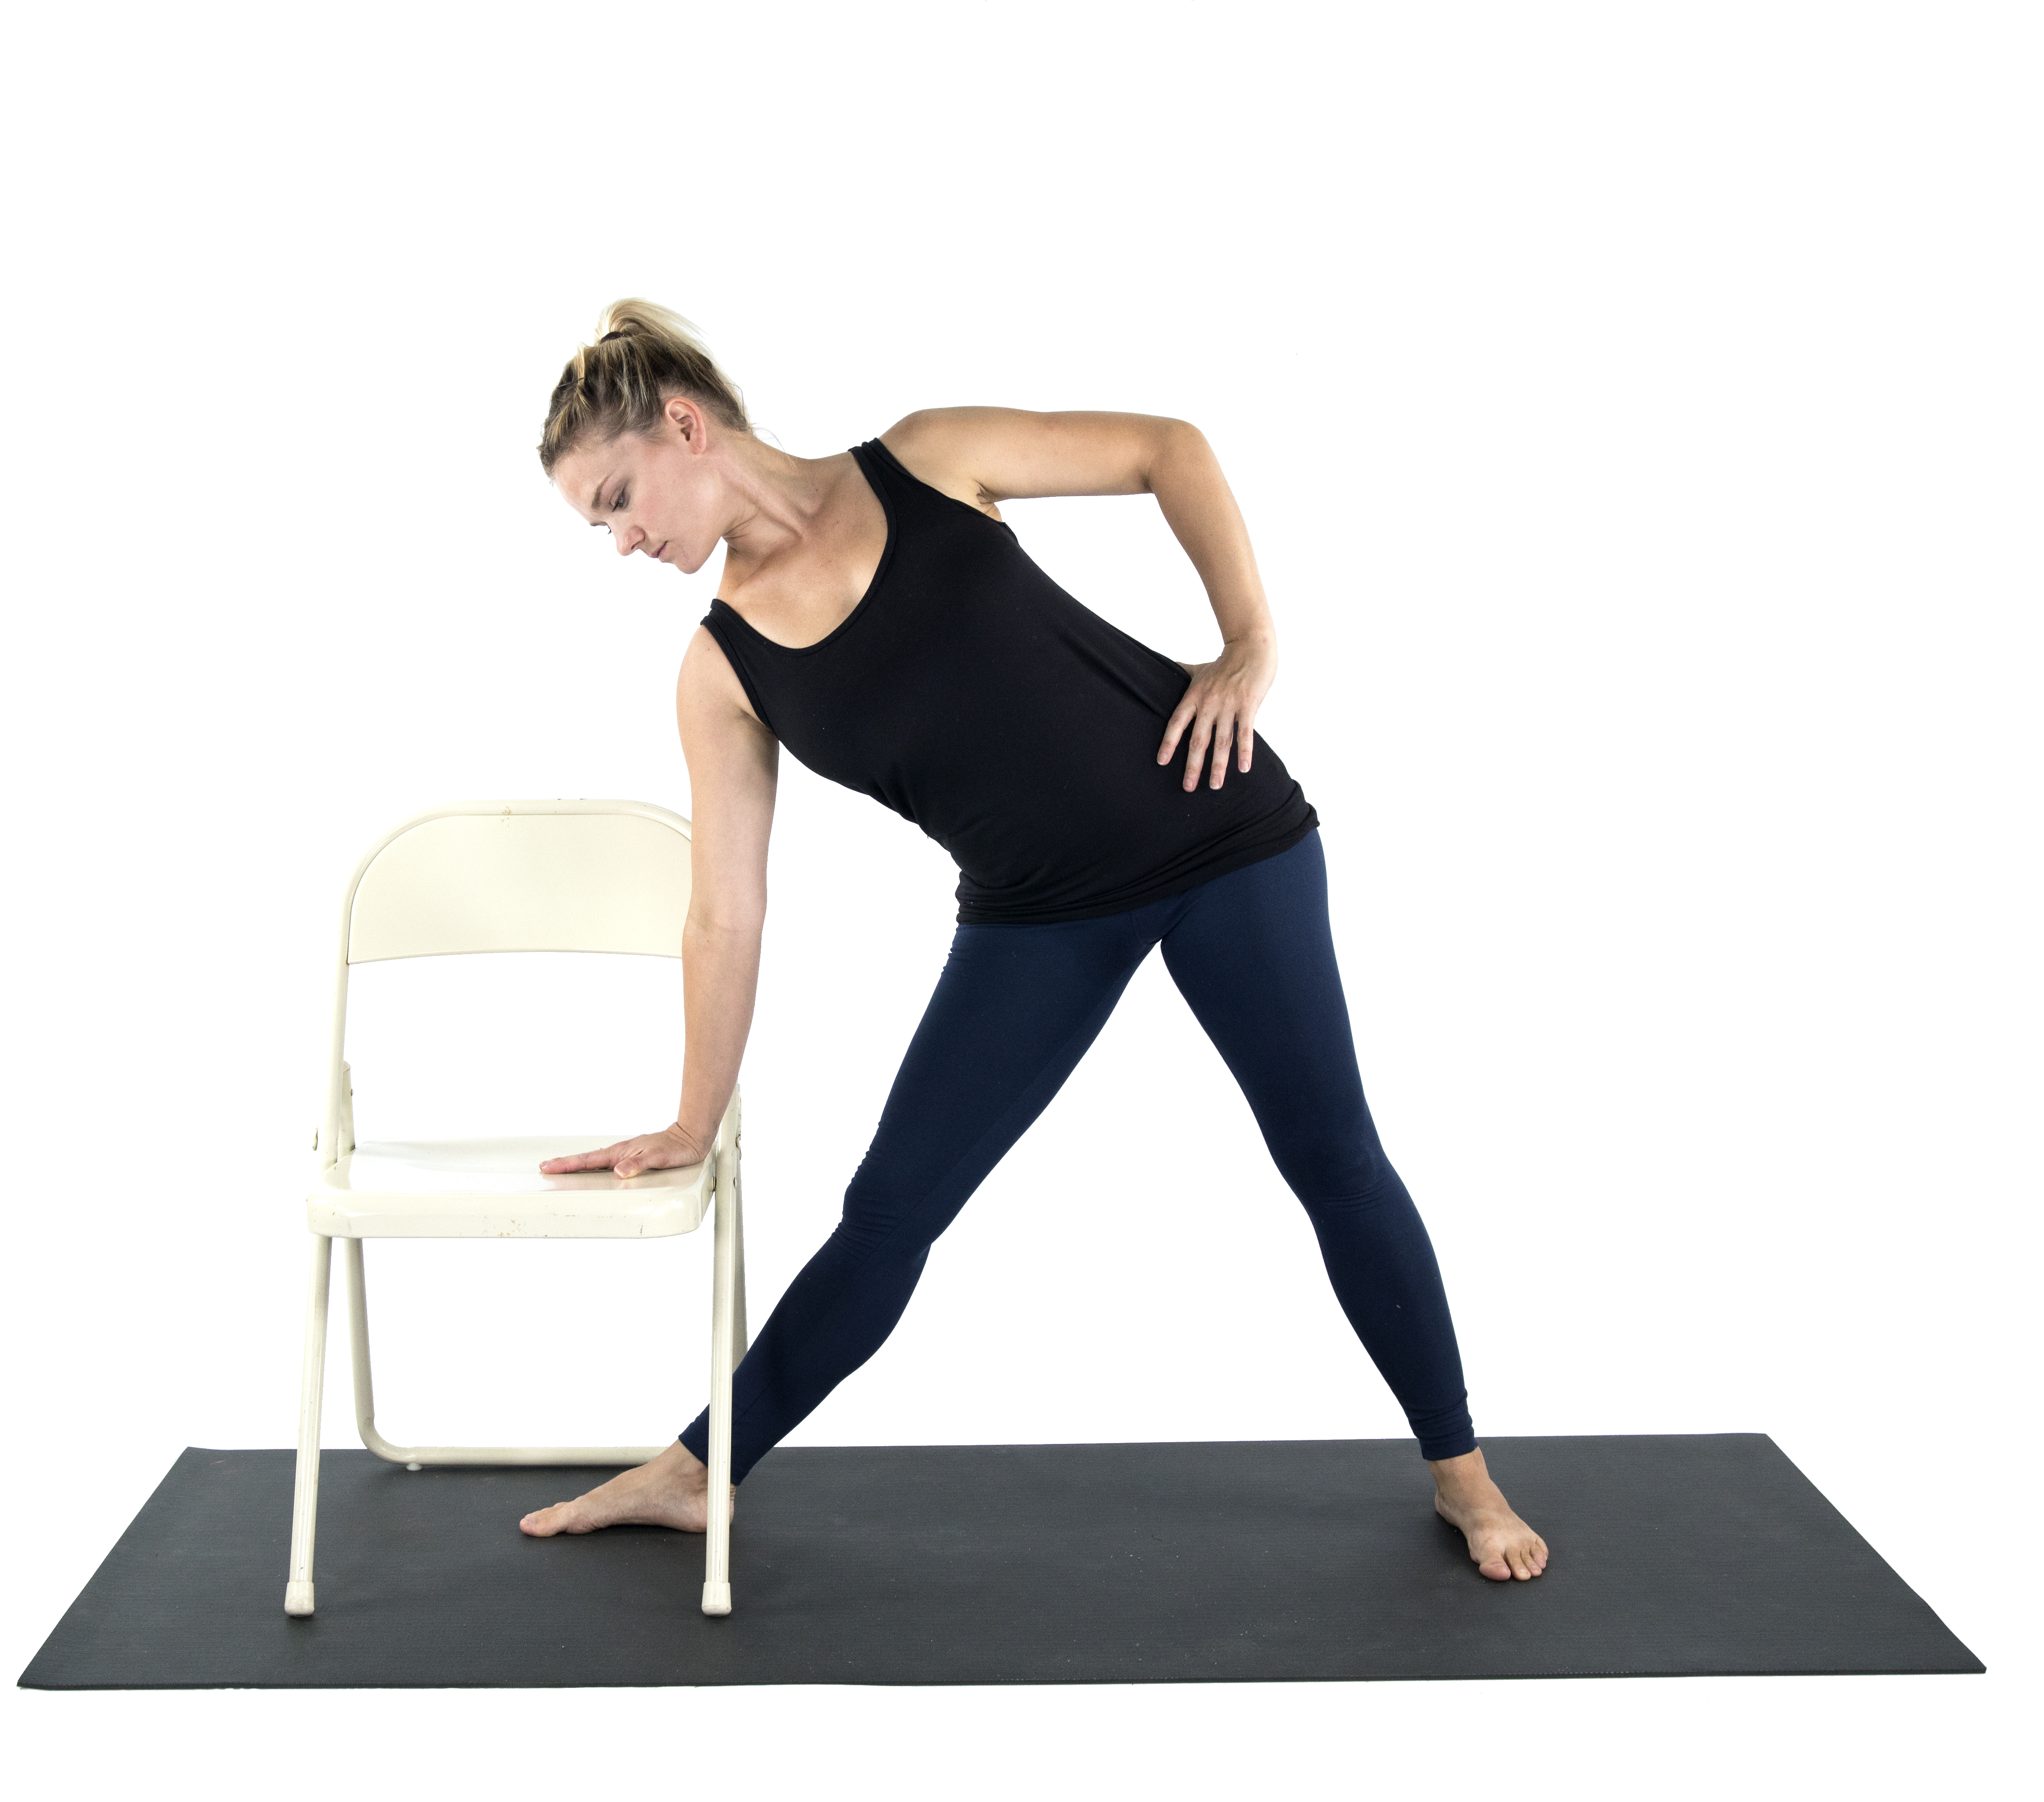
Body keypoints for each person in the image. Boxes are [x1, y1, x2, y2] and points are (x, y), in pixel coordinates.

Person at [516, 299, 1548, 1583]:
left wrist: (1251, 647)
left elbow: (1170, 447)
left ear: (685, 425)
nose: (620, 539)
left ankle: (1465, 1478)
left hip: (1229, 843)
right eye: (597, 524)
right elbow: (726, 909)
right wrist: (688, 1117)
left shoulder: (930, 456)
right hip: (1037, 918)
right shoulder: (723, 669)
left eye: (617, 498)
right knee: (889, 1212)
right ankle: (694, 1469)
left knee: (1334, 1161)